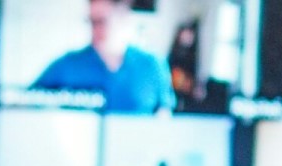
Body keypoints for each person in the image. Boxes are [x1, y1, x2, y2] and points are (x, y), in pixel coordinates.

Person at [31, 0, 175, 114]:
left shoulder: (152, 65)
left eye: (101, 21)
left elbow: (163, 118)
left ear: (122, 16)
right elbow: (27, 103)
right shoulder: (66, 65)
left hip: (136, 150)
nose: (95, 29)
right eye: (91, 22)